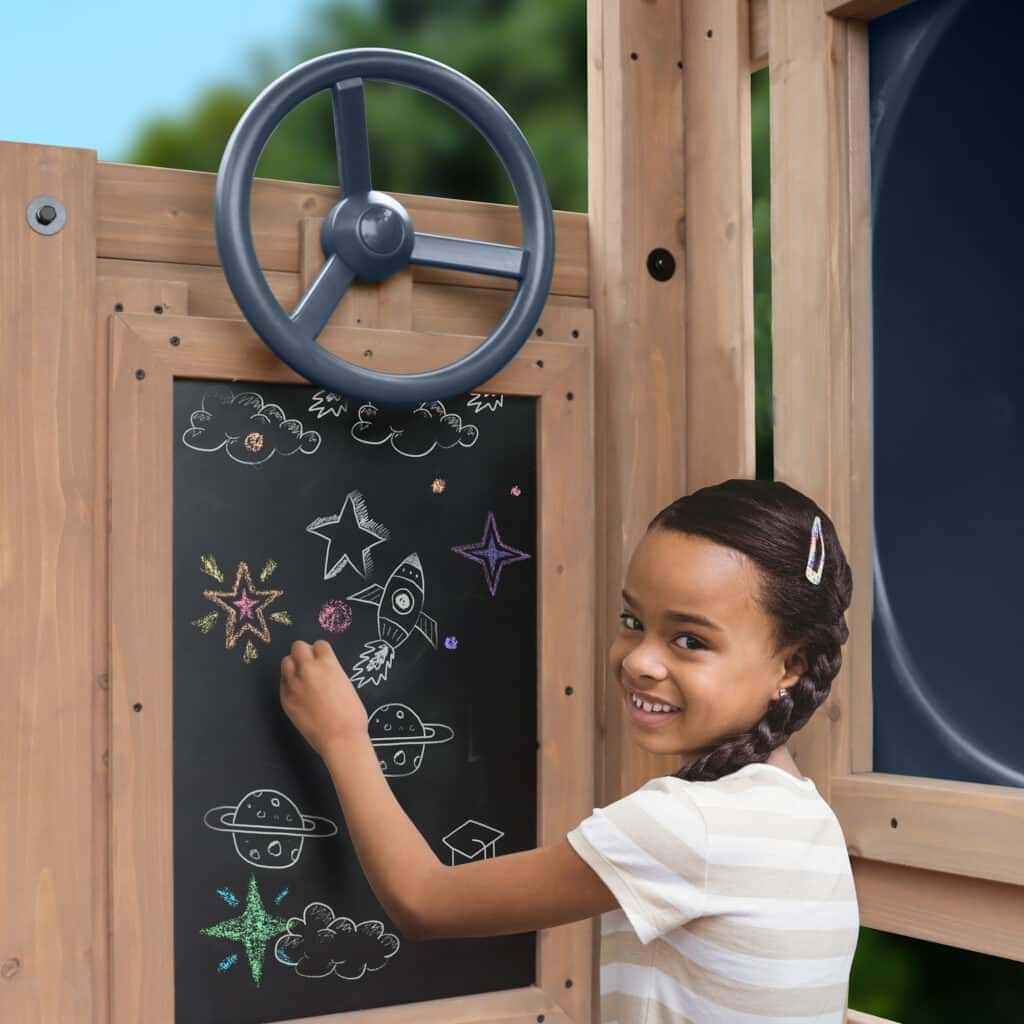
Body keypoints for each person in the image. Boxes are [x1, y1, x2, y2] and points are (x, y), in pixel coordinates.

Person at [280, 477, 860, 1022]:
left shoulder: (691, 825)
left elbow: (425, 901)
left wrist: (342, 736)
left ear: (790, 665)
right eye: (632, 620)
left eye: (690, 640)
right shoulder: (804, 818)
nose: (638, 660)